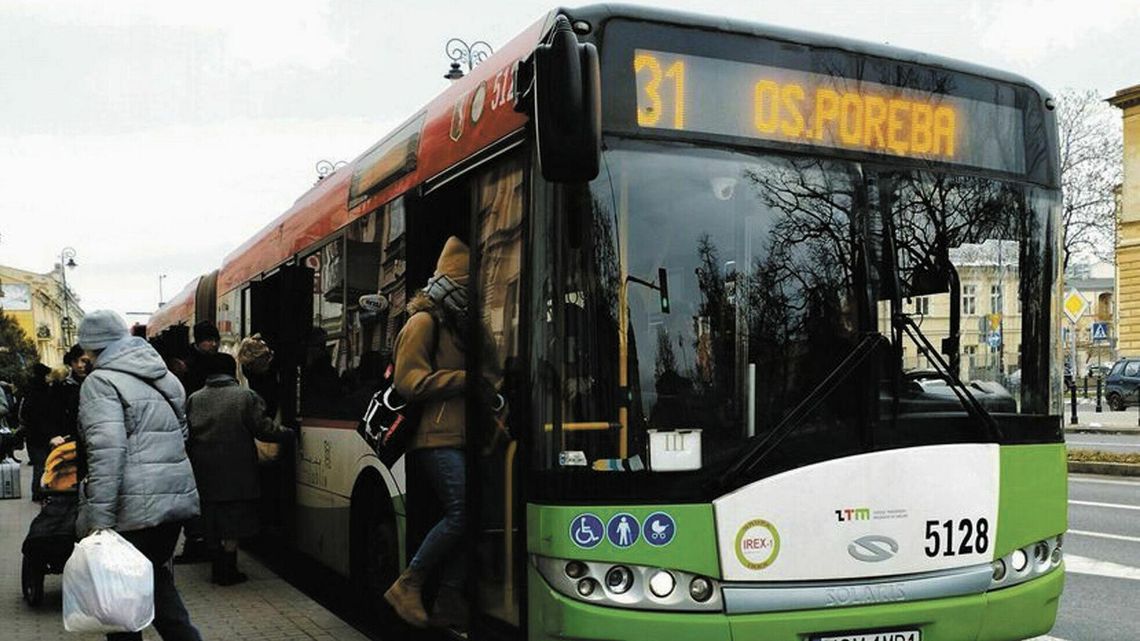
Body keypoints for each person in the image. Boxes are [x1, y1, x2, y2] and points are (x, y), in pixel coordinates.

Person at [384, 237, 501, 631]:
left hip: (469, 436)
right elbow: (408, 382)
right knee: (462, 511)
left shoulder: (465, 325)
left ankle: (449, 598)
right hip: (434, 438)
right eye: (469, 285)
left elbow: (490, 373)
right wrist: (464, 379)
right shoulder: (423, 322)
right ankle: (408, 583)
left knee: (476, 515)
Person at [75, 310, 202, 641]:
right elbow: (182, 435)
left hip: (130, 512)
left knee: (121, 606)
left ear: (91, 346)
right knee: (156, 584)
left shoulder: (100, 383)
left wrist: (99, 522)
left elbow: (107, 453)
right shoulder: (164, 377)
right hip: (171, 504)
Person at [185, 352, 293, 585]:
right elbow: (263, 429)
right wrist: (288, 433)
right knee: (234, 520)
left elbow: (188, 435)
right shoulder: (245, 396)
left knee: (211, 517)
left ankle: (216, 567)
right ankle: (229, 568)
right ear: (232, 371)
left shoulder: (195, 398)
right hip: (237, 470)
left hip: (204, 470)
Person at [173, 319, 220, 564]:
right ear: (199, 341)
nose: (213, 344)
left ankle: (201, 540)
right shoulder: (187, 364)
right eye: (208, 340)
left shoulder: (208, 361)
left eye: (215, 340)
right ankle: (196, 540)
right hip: (192, 437)